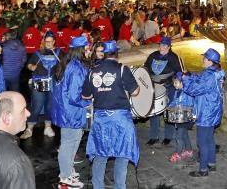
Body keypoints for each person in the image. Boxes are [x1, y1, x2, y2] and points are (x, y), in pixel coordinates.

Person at [82, 40, 140, 189]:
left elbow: (85, 96)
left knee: (100, 156)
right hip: (121, 119)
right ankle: (120, 186)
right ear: (116, 54)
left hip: (101, 119)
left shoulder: (92, 71)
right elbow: (135, 91)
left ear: (104, 54)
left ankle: (98, 186)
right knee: (122, 155)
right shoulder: (122, 69)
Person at [174, 47, 225, 178]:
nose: (202, 59)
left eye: (204, 57)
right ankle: (211, 164)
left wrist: (184, 81)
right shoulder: (215, 72)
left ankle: (203, 170)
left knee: (202, 141)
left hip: (206, 112)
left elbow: (195, 89)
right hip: (213, 110)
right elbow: (200, 78)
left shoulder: (209, 75)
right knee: (209, 139)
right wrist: (190, 74)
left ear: (209, 61)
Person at [50, 35, 91, 189]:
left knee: (74, 139)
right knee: (68, 143)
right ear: (80, 49)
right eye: (87, 48)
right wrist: (88, 102)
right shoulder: (76, 68)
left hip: (67, 111)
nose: (89, 50)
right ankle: (65, 177)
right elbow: (75, 96)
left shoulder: (70, 63)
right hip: (70, 112)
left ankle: (68, 169)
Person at [144, 36, 184, 147]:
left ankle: (168, 136)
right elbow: (145, 68)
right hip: (154, 86)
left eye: (164, 45)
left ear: (169, 46)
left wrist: (177, 81)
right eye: (160, 44)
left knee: (168, 111)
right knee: (154, 112)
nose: (161, 47)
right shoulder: (153, 55)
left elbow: (180, 72)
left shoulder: (174, 58)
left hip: (168, 87)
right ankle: (153, 136)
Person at [22, 31, 61, 139]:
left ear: (54, 41)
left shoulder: (58, 53)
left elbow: (63, 66)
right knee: (37, 106)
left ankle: (47, 127)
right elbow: (29, 64)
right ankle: (29, 128)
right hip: (39, 82)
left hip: (53, 83)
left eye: (50, 41)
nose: (48, 43)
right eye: (46, 41)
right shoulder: (38, 53)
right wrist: (31, 67)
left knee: (50, 106)